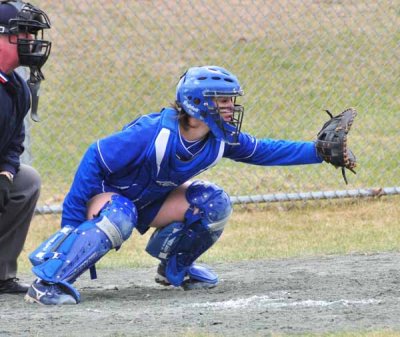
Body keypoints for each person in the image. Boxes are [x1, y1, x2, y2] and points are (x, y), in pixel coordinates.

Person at [25, 65, 323, 305]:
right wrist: (71, 226)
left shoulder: (219, 138)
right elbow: (94, 158)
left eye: (232, 100)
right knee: (120, 212)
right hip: (109, 200)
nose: (231, 107)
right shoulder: (152, 132)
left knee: (212, 202)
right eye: (222, 100)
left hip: (150, 202)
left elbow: (264, 150)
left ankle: (174, 269)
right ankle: (48, 281)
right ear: (197, 104)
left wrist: (319, 152)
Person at [0, 0, 51, 294]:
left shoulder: (16, 88)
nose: (32, 42)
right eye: (24, 34)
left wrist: (5, 174)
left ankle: (1, 273)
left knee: (26, 180)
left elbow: (14, 141)